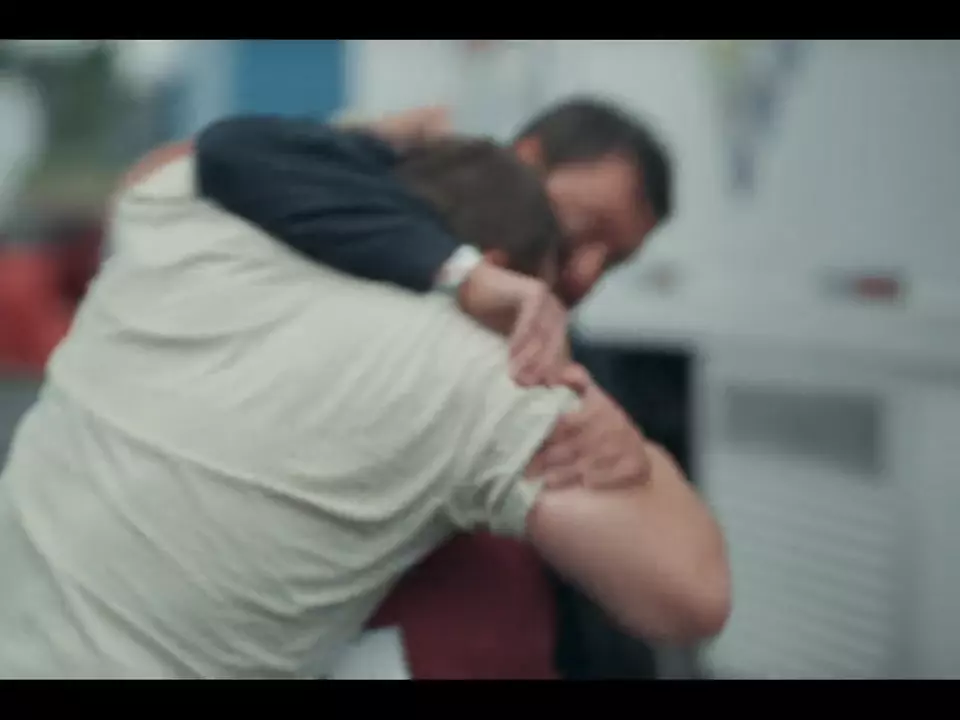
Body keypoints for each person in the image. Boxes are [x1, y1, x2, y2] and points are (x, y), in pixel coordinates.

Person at [0, 128, 727, 678]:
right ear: (506, 271)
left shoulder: (191, 226)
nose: (585, 275)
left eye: (613, 260)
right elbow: (693, 596)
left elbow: (219, 150)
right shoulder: (480, 379)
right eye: (575, 239)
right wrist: (626, 439)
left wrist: (396, 150)